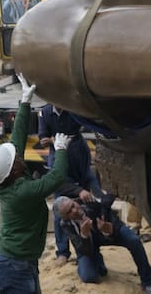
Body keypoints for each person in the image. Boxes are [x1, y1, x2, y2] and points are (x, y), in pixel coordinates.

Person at [0, 74, 70, 294]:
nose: (17, 155)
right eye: (14, 158)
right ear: (12, 169)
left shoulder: (6, 177)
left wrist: (25, 102)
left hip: (20, 261)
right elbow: (55, 178)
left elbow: (17, 137)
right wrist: (62, 149)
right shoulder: (21, 192)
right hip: (14, 266)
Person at [38, 102, 101, 267]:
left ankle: (98, 239)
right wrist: (54, 141)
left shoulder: (73, 107)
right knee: (61, 207)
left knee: (95, 195)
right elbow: (42, 138)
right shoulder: (45, 112)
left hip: (78, 152)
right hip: (59, 154)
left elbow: (88, 121)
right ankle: (62, 252)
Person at [53, 195, 151, 293]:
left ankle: (147, 282)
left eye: (73, 206)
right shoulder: (65, 224)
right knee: (89, 276)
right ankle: (98, 263)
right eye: (69, 212)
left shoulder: (89, 203)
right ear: (65, 217)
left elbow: (115, 222)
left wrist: (108, 229)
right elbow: (82, 249)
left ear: (74, 201)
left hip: (108, 232)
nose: (74, 210)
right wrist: (84, 235)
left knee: (134, 241)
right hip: (89, 245)